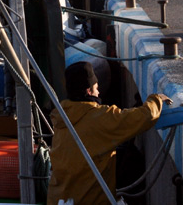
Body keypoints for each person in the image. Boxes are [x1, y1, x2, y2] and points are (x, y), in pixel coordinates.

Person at [47, 62, 171, 205]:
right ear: (89, 91)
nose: (99, 93)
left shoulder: (62, 119)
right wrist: (156, 99)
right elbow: (144, 116)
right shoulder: (98, 118)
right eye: (96, 88)